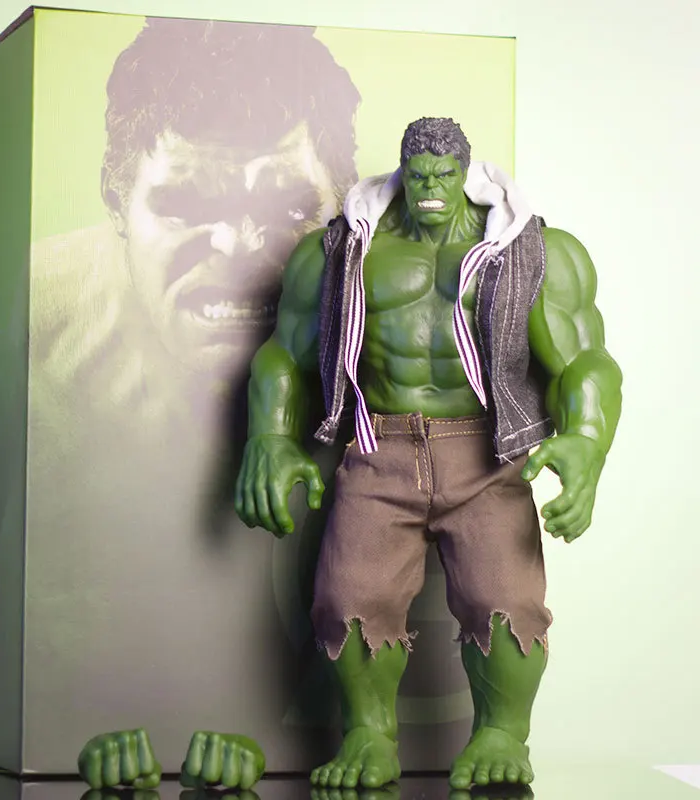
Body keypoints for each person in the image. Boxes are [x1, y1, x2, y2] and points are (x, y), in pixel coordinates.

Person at [234, 116, 622, 790]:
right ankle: (368, 734)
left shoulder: (534, 250)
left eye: (444, 174)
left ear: (466, 171)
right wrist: (269, 435)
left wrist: (587, 440)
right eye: (419, 176)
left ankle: (502, 735)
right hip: (377, 446)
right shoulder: (341, 251)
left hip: (486, 453)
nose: (431, 187)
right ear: (403, 174)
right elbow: (284, 353)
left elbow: (586, 361)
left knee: (507, 597)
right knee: (349, 596)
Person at [31, 17, 360, 436]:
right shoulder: (32, 328)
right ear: (116, 200)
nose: (238, 245)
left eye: (291, 210)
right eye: (186, 206)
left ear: (345, 207)